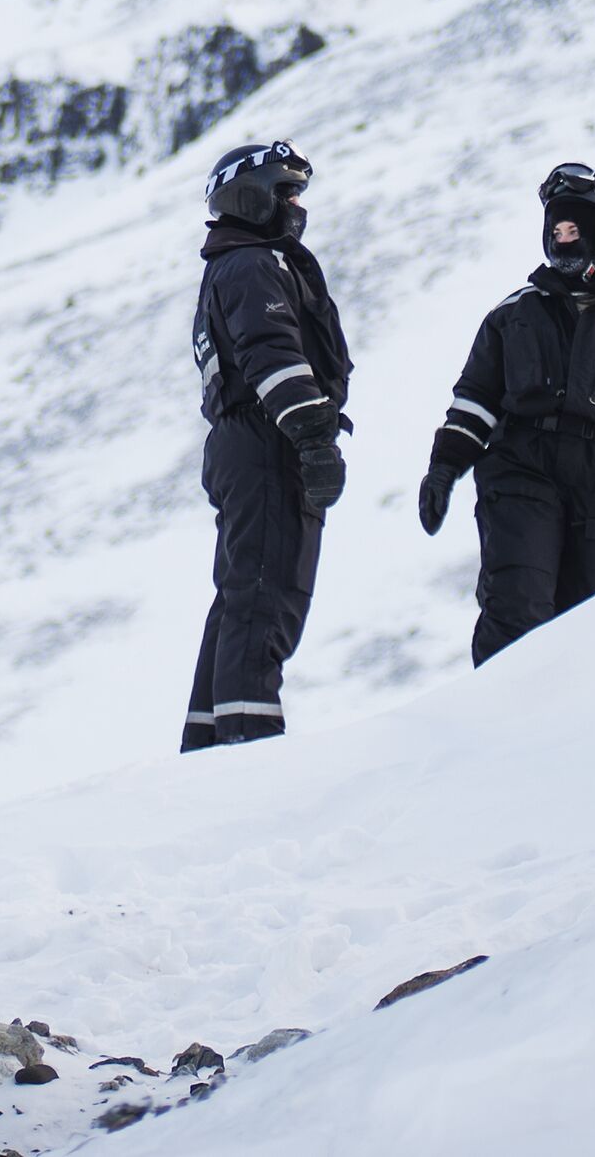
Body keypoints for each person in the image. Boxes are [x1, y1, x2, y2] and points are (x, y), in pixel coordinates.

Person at [414, 161, 595, 664]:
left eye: (575, 229)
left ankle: (591, 736)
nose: (563, 240)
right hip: (523, 462)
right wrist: (444, 467)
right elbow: (474, 401)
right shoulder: (515, 314)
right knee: (518, 609)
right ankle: (498, 729)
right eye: (555, 230)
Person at [181, 138, 351, 751]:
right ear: (249, 195)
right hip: (266, 441)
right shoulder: (254, 264)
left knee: (240, 598)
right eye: (286, 191)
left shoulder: (233, 264)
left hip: (242, 442)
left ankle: (207, 745)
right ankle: (247, 754)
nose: (297, 205)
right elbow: (272, 354)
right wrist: (312, 438)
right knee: (265, 601)